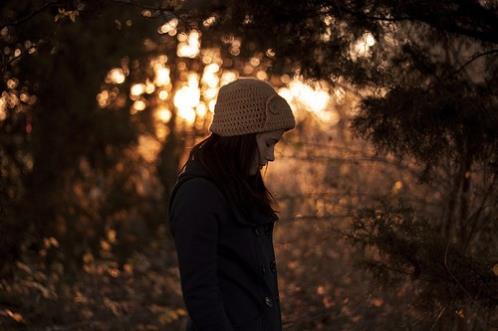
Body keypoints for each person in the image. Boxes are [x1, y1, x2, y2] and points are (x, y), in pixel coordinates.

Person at [168, 77, 296, 331]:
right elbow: (201, 296)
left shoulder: (242, 186)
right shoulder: (198, 195)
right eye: (269, 143)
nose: (271, 155)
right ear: (243, 138)